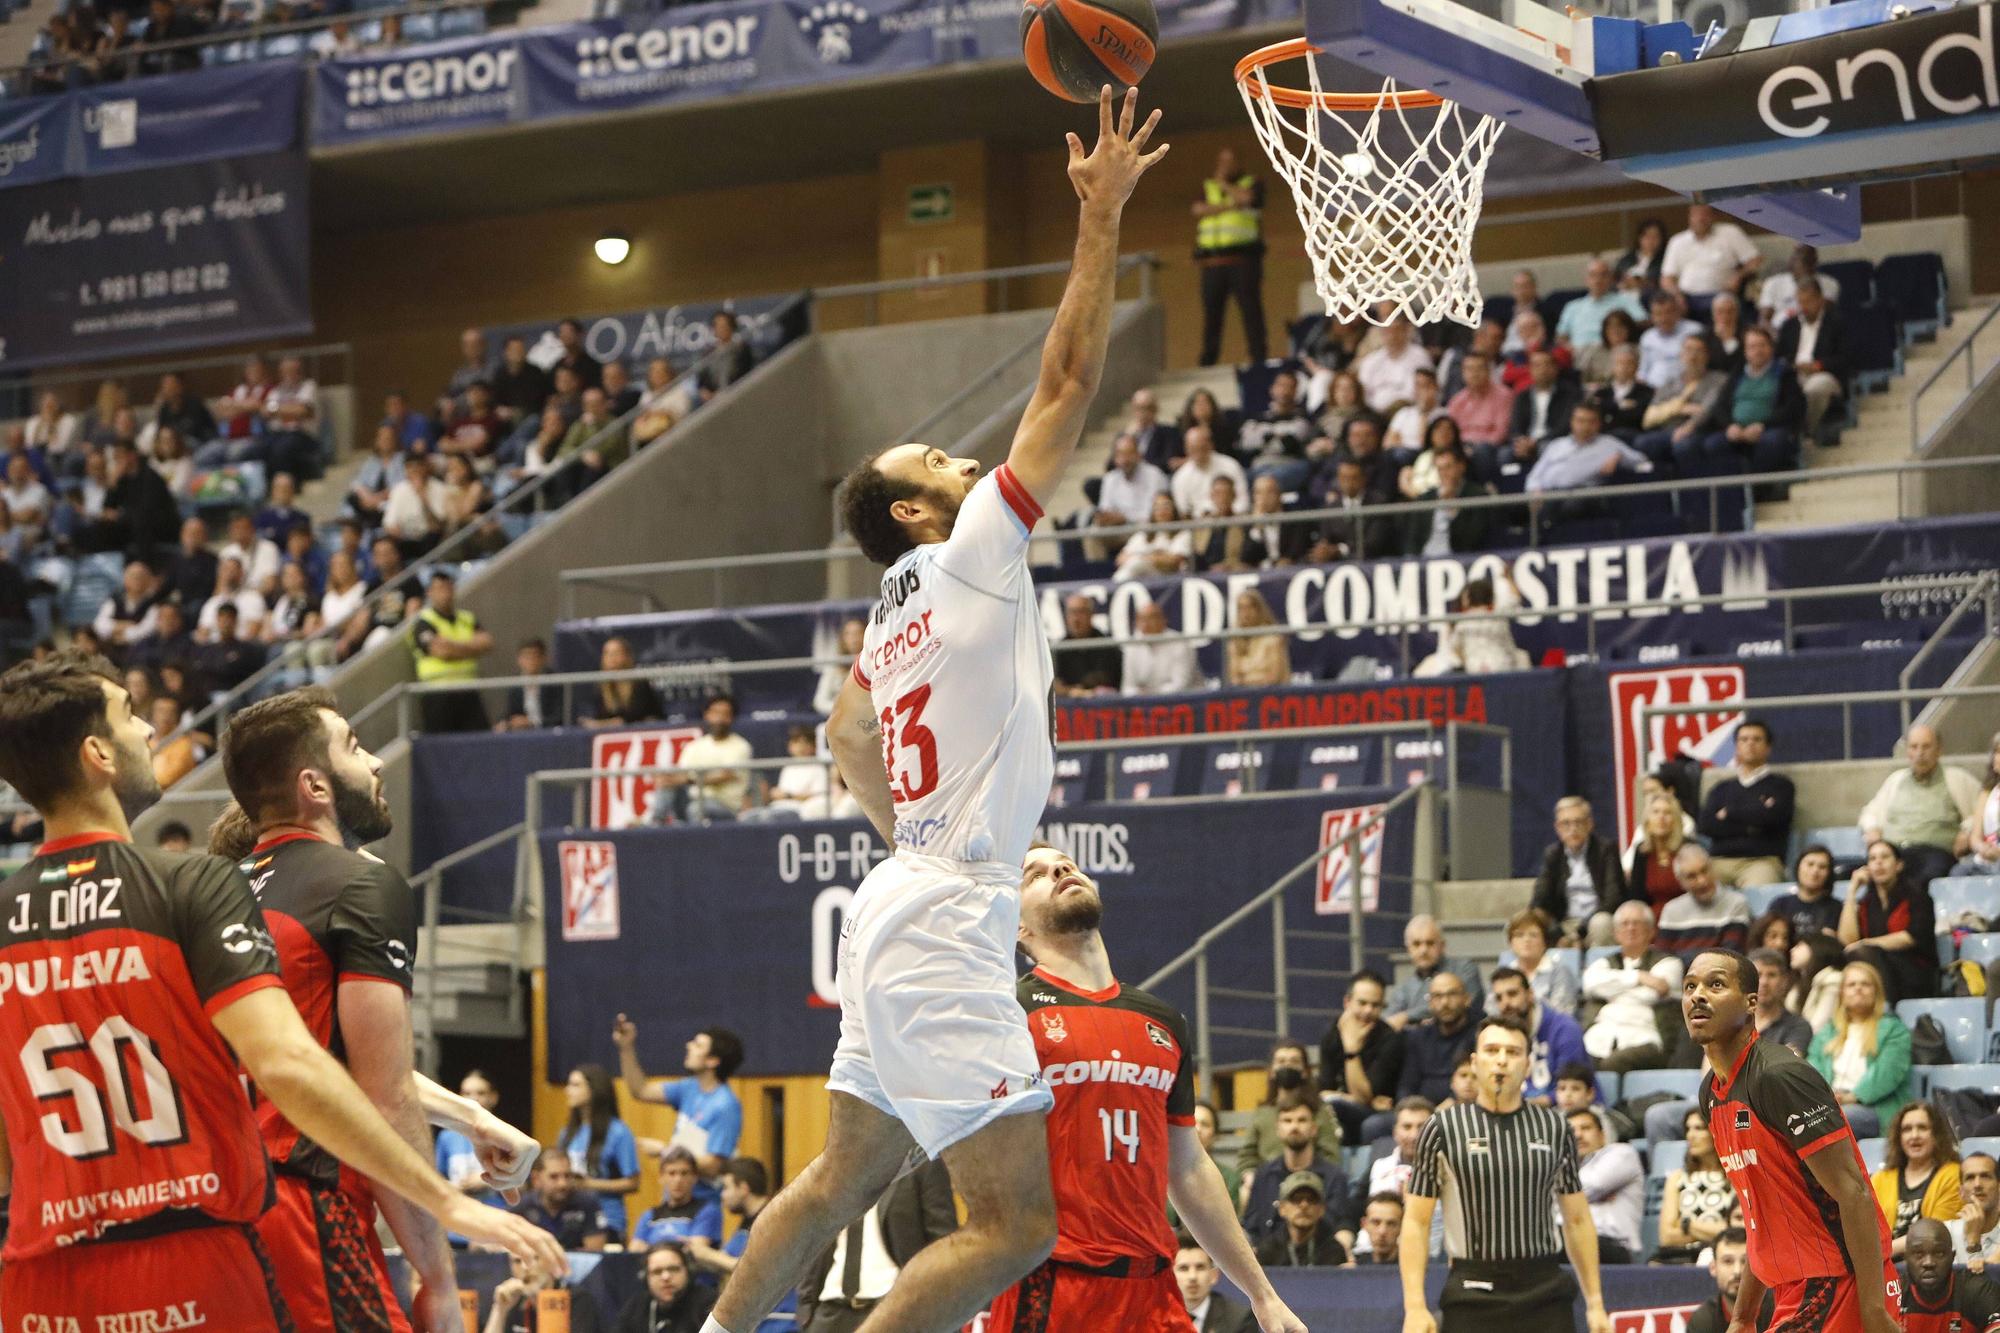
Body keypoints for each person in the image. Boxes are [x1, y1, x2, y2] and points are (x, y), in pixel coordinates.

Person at [710, 95, 1168, 1333]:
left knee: (837, 1176)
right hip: (948, 903)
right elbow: (1069, 377)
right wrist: (1100, 214)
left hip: (898, 896)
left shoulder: (885, 611)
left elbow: (847, 737)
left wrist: (909, 839)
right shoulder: (969, 548)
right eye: (938, 465)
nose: (965, 466)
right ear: (916, 514)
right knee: (1015, 1223)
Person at [0, 655, 560, 1331]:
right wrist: (444, 1204)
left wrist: (467, 1117)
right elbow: (296, 1063)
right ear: (97, 753)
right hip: (202, 1239)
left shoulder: (18, 912)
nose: (151, 729)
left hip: (46, 1264)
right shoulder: (188, 887)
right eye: (130, 714)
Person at [216, 688, 549, 1331]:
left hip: (213, 1212)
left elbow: (316, 1052)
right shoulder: (360, 885)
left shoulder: (216, 892)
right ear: (315, 785)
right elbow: (383, 1091)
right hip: (305, 1204)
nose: (375, 764)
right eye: (354, 746)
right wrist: (438, 1276)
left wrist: (472, 1119)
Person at [988, 845, 1305, 1332]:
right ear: (1017, 927)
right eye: (1034, 875)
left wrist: (1262, 1294)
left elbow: (1190, 1168)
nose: (1060, 869)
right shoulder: (1012, 1011)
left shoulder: (1162, 1020)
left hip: (1152, 1288)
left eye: (1067, 864)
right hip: (1053, 1283)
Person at [1687, 946, 1903, 1333]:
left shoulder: (1780, 1076)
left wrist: (1872, 1309)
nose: (1697, 995)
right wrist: (1743, 1316)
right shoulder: (1711, 1093)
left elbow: (1854, 1193)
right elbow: (1759, 1211)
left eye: (1715, 984)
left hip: (1841, 1283)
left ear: (1751, 1002)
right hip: (1794, 1289)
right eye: (1690, 986)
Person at [1399, 1014, 1614, 1333]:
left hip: (1545, 1289)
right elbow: (1417, 1222)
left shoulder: (1555, 1127)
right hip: (1471, 1289)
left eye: (1513, 1053)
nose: (1501, 1061)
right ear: (1474, 1062)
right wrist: (1414, 1306)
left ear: (1527, 1065)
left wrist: (1595, 1303)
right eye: (1492, 1050)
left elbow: (1578, 1219)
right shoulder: (1442, 1128)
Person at [796, 1160, 956, 1332]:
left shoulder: (923, 1164)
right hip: (830, 1312)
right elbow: (815, 1237)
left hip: (895, 1308)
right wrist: (806, 1311)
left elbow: (943, 1243)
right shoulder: (836, 1165)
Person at [612, 1016, 745, 1203]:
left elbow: (714, 1165)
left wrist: (664, 1152)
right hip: (674, 1199)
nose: (688, 1046)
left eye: (698, 1045)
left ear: (713, 1061)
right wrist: (626, 1048)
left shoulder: (726, 1105)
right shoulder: (688, 1088)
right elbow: (640, 1090)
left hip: (702, 1203)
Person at [1860, 724, 1981, 889]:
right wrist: (1872, 828)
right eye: (1914, 747)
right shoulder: (1895, 781)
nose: (1919, 753)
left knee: (1920, 880)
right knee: (1854, 875)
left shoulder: (1957, 779)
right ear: (1907, 752)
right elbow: (1870, 813)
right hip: (1894, 853)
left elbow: (1984, 811)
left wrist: (1967, 830)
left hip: (1934, 854)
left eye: (1926, 747)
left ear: (1939, 750)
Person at [1807, 960, 1914, 1138]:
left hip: (1875, 1108)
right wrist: (1828, 1097)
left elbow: (1887, 1074)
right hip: (1830, 1105)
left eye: (1865, 984)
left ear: (1876, 992)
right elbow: (1812, 1067)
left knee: (1831, 1120)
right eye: (1851, 984)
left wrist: (1852, 1097)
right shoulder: (1827, 1032)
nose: (1858, 988)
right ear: (1842, 993)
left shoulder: (1894, 1029)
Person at [1581, 901, 1683, 1071]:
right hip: (1599, 1038)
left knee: (1613, 1064)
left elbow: (1655, 992)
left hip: (1645, 1038)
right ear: (1616, 933)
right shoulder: (1603, 963)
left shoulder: (1670, 963)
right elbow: (1590, 984)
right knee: (1577, 1060)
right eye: (1625, 924)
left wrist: (1612, 990)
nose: (1631, 928)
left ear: (1651, 931)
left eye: (1637, 923)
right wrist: (1639, 977)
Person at [1697, 718, 1795, 887]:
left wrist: (1729, 814)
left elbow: (1775, 820)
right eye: (1744, 739)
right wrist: (1754, 823)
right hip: (1719, 861)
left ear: (1768, 748)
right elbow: (1707, 825)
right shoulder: (1721, 789)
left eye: (1757, 739)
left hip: (1762, 862)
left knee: (1758, 891)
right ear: (1736, 747)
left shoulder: (1781, 786)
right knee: (1699, 885)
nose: (1750, 744)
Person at [1840, 838, 1939, 1004]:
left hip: (1914, 971)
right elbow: (1848, 941)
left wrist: (1867, 943)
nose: (1878, 863)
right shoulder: (1867, 903)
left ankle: (1884, 1011)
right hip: (1875, 968)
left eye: (1884, 857)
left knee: (1863, 953)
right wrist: (1851, 893)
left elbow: (1912, 937)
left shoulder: (1917, 896)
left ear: (1898, 865)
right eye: (1873, 859)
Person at [1192, 147, 1267, 366]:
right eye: (1221, 161)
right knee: (1212, 314)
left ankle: (1258, 355)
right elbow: (1197, 209)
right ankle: (1208, 359)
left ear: (1238, 163)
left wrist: (1224, 186)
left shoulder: (1252, 182)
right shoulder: (1207, 186)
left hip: (1243, 260)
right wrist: (1229, 205)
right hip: (1212, 262)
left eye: (1229, 161)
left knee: (1250, 310)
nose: (1224, 166)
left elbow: (1248, 199)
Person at [1236, 1041, 1343, 1187]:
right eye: (1281, 1061)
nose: (1287, 1066)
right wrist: (1250, 1176)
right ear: (1272, 1071)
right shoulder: (1262, 1113)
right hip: (1268, 1183)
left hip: (1309, 1185)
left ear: (1305, 1071)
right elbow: (1247, 1156)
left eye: (1294, 1061)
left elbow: (1331, 1157)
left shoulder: (1319, 1111)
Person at [1319, 969, 1406, 1144]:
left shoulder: (1390, 1039)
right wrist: (1348, 1097)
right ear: (1347, 1002)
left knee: (1335, 1108)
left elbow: (1362, 1097)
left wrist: (1351, 1050)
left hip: (1379, 1113)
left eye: (1375, 1005)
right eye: (1362, 1003)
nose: (1368, 1011)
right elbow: (1323, 1090)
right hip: (1347, 1107)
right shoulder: (1332, 1033)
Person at [1530, 796, 1631, 946]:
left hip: (1596, 920)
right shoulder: (1552, 854)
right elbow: (1540, 898)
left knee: (1601, 923)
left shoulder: (1606, 850)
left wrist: (1579, 932)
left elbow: (1613, 898)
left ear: (1590, 824)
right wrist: (1559, 932)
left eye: (1579, 822)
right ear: (1557, 828)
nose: (1573, 829)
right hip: (1564, 923)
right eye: (1566, 824)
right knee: (1526, 922)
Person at [1487, 966, 1590, 1106]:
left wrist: (1525, 1107)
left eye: (1512, 994)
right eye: (1499, 998)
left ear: (1530, 994)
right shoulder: (1501, 1036)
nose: (1506, 1003)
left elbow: (1573, 1088)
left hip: (1567, 1113)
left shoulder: (1564, 1028)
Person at [561, 1064, 642, 1239]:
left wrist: (590, 1184)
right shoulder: (567, 1133)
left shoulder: (618, 1132)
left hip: (606, 1219)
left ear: (594, 1090)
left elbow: (633, 1182)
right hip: (570, 1217)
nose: (568, 1090)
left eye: (575, 1085)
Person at [1874, 1101, 1965, 1257]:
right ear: (1899, 1137)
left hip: (1929, 1264)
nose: (1914, 1135)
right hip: (1885, 1264)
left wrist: (1881, 1252)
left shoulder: (1953, 1175)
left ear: (1936, 1135)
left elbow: (1936, 1232)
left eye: (1922, 1128)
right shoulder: (1881, 1178)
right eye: (1907, 1129)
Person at [410, 571, 493, 733]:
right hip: (438, 695)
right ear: (430, 592)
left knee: (480, 741)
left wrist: (451, 645)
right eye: (439, 588)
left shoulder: (466, 618)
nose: (445, 593)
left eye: (448, 587)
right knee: (441, 748)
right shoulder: (424, 621)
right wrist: (470, 648)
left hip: (468, 692)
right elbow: (440, 651)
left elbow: (487, 643)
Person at [1655, 1110, 1737, 1264]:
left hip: (1724, 1257)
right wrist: (1715, 1230)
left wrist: (1686, 1224)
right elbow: (1666, 1236)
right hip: (1681, 1256)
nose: (1690, 1136)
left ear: (1717, 1131)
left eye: (1699, 1128)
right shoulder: (1677, 1178)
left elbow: (1737, 1231)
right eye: (1688, 1129)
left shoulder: (1736, 1176)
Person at [1567, 1107, 1643, 1263]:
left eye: (1586, 1128)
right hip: (1569, 1242)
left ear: (1602, 1135)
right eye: (1571, 1131)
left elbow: (1594, 1185)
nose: (1578, 1135)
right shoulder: (1565, 1166)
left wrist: (1564, 1197)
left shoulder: (1621, 1153)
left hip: (1612, 1245)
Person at [1902, 1218, 2000, 1333]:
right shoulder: (1893, 1291)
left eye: (1939, 1253)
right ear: (1906, 1258)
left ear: (1952, 1257)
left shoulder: (1977, 1289)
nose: (1928, 1262)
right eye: (1919, 1254)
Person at [1385, 917, 1486, 1027]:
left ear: (1442, 946)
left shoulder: (1464, 969)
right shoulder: (1404, 989)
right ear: (1408, 949)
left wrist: (1407, 1017)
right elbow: (1390, 1020)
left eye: (1430, 943)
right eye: (1417, 944)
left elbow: (1468, 1004)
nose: (1423, 950)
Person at [1657, 845, 1752, 958]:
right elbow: (1662, 958)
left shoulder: (1736, 903)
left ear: (1713, 868)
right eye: (1692, 876)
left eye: (1704, 871)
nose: (1702, 881)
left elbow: (1731, 957)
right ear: (1680, 882)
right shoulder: (1671, 910)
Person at [1397, 974, 1478, 1105]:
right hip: (1421, 1112)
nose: (1444, 1002)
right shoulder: (1418, 1036)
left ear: (1467, 999)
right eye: (1437, 996)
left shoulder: (1479, 1035)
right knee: (1377, 1124)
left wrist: (1442, 1112)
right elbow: (1407, 1084)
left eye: (1452, 994)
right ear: (1430, 1003)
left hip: (1462, 1108)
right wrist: (1406, 1109)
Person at [513, 1149, 616, 1251]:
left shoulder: (588, 1203)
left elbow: (594, 1255)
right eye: (554, 1177)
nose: (563, 1184)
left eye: (567, 1176)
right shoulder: (523, 1205)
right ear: (536, 1179)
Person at [1661, 204, 1762, 303]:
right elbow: (1667, 278)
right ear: (1689, 217)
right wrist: (1676, 295)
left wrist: (1738, 276)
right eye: (1696, 214)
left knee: (1725, 304)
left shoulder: (1730, 232)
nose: (1701, 218)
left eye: (1705, 214)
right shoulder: (1677, 241)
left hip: (1721, 295)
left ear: (1714, 216)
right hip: (1686, 298)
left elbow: (1755, 260)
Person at [1253, 1173, 1348, 1268]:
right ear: (1282, 1208)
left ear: (1322, 1209)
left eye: (1312, 1199)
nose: (1304, 1205)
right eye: (1296, 1199)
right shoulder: (1267, 1252)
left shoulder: (1334, 1251)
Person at [618, 1242, 718, 1333]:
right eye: (657, 1272)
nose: (666, 1277)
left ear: (688, 1272)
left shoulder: (709, 1304)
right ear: (645, 1278)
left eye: (673, 1269)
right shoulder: (636, 1307)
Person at [635, 1147, 720, 1250]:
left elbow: (696, 1251)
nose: (678, 1180)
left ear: (694, 1177)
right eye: (672, 1173)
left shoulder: (707, 1211)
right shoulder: (650, 1215)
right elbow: (635, 1251)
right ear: (661, 1177)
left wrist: (650, 1248)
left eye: (684, 1173)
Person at [1503, 908, 1581, 1016]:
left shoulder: (1560, 972)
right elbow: (1492, 1011)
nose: (1526, 940)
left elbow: (1562, 1015)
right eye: (1519, 935)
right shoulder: (1504, 974)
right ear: (1510, 943)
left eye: (1533, 935)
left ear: (1545, 941)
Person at [1682, 1228, 1762, 1333]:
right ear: (1713, 1268)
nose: (1737, 1271)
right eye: (1728, 1261)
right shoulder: (1702, 1321)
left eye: (1745, 1262)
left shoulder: (1777, 1309)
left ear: (1758, 1265)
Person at [1625, 792, 1690, 918]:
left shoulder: (1688, 848)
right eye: (1656, 812)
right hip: (1651, 919)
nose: (1661, 817)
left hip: (1685, 917)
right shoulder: (1642, 851)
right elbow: (1636, 898)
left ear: (1676, 820)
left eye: (1667, 813)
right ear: (1647, 820)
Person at [1175, 1234, 1255, 1333]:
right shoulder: (1155, 1316)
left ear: (1214, 1275)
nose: (1192, 1277)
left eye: (1200, 1267)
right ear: (1170, 1276)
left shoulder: (1238, 1318)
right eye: (1184, 1268)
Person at [1123, 600, 1203, 696]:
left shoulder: (1180, 643)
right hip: (1145, 703)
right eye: (1141, 620)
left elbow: (1181, 685)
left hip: (1188, 701)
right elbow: (1127, 687)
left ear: (1163, 620)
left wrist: (1150, 694)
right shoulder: (1132, 645)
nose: (1145, 624)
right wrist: (1139, 694)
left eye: (1151, 619)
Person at [585, 635, 665, 728]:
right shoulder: (600, 687)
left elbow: (634, 717)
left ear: (626, 656)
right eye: (607, 653)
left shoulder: (639, 683)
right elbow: (598, 716)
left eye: (616, 653)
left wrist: (613, 722)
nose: (611, 658)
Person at [1055, 593, 1123, 695]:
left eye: (1080, 612)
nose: (1076, 619)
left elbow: (1108, 679)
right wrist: (1070, 691)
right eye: (1072, 613)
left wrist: (1082, 689)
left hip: (1100, 705)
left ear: (1091, 614)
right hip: (1068, 706)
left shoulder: (1106, 645)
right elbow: (1056, 684)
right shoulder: (1059, 649)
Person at [1774, 843, 1844, 941]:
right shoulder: (1780, 904)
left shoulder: (1836, 908)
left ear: (1829, 874)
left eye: (1822, 867)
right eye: (1810, 864)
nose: (1815, 871)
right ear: (1798, 867)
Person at [1368, 1099, 1436, 1198]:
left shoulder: (1448, 1170)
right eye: (1407, 1127)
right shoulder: (1380, 1167)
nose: (1414, 1135)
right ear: (1395, 1132)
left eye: (1422, 1127)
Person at [1225, 588, 1290, 688]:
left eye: (1249, 607)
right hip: (1243, 694)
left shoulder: (1273, 638)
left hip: (1270, 694)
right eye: (1241, 608)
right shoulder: (1235, 640)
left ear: (1259, 610)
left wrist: (1247, 682)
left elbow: (1274, 677)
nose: (1245, 614)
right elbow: (1234, 678)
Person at [500, 638, 564, 731]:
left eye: (534, 655)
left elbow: (559, 716)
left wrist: (532, 722)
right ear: (519, 659)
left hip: (549, 732)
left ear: (543, 658)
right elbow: (510, 712)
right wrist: (505, 723)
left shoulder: (554, 682)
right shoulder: (514, 684)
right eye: (526, 656)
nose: (530, 660)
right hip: (522, 733)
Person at [1351, 1192, 1407, 1265]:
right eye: (1376, 1223)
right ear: (1364, 1224)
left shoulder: (1417, 1269)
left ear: (1402, 1227)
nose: (1382, 1231)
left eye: (1391, 1224)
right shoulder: (1353, 1269)